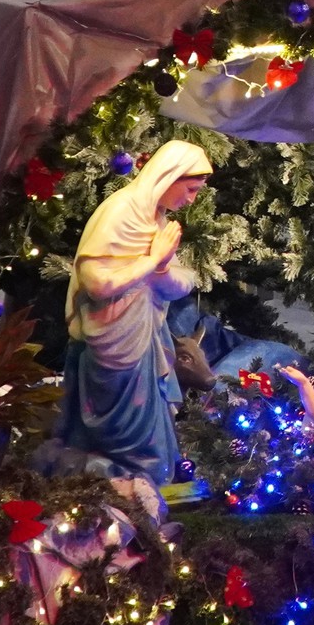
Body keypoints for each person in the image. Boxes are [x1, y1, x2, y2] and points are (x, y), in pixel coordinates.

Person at [50, 142, 213, 496]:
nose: (192, 199)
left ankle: (140, 487)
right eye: (191, 189)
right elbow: (98, 283)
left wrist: (163, 266)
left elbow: (176, 283)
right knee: (114, 429)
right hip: (110, 341)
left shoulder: (156, 218)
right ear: (169, 177)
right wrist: (152, 262)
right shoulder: (120, 213)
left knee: (147, 429)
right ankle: (115, 486)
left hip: (144, 339)